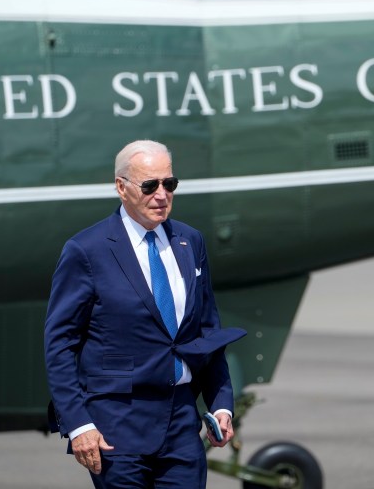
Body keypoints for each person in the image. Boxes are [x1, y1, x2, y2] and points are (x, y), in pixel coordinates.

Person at [44, 139, 245, 489]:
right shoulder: (86, 251)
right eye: (150, 185)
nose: (162, 194)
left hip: (182, 424)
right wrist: (79, 425)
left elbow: (207, 332)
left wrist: (222, 404)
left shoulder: (190, 241)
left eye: (170, 184)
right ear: (121, 187)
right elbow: (60, 343)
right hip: (116, 428)